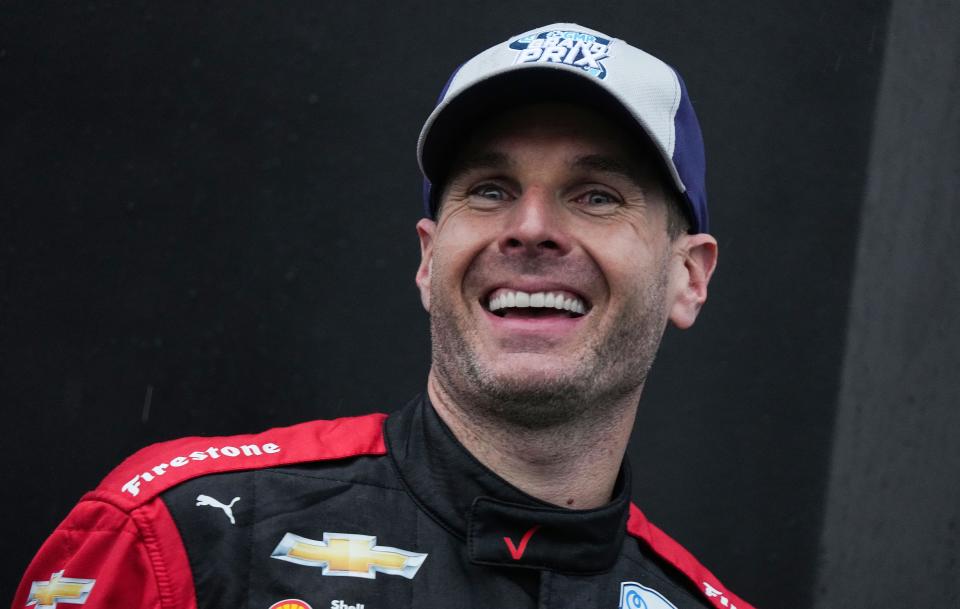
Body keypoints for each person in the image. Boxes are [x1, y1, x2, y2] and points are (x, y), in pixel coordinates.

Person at [12, 23, 754, 609]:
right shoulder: (178, 532)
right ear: (429, 261)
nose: (530, 227)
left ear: (688, 276)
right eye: (490, 189)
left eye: (596, 195)